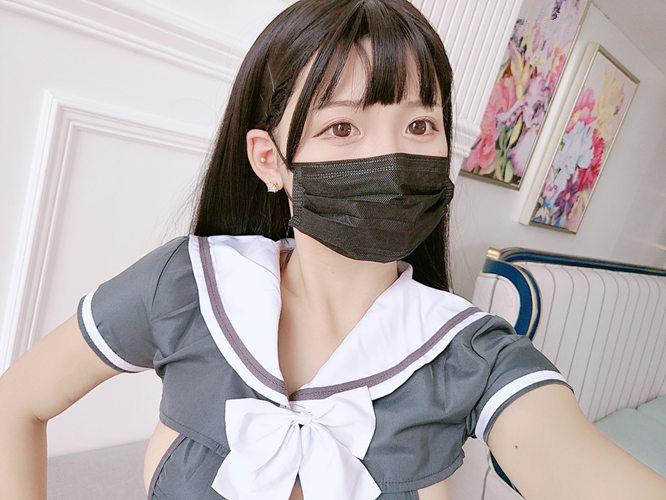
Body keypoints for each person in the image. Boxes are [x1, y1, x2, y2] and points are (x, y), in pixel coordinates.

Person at [1, 0, 665, 499]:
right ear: (271, 160)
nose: (391, 158)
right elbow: (16, 403)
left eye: (420, 125)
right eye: (343, 127)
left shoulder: (476, 357)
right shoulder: (187, 282)